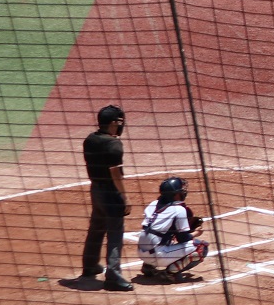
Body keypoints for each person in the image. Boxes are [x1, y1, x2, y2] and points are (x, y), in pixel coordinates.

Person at [60, 105, 133, 291]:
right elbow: (115, 173)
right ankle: (113, 276)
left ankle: (90, 265)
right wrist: (124, 197)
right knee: (115, 233)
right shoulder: (114, 144)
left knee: (96, 229)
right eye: (119, 122)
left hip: (96, 191)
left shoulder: (90, 140)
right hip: (111, 193)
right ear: (113, 123)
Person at [133, 177, 208, 285]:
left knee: (162, 236)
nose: (183, 192)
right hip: (158, 256)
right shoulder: (179, 210)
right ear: (175, 194)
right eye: (181, 190)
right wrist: (195, 233)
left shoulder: (153, 204)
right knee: (201, 247)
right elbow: (182, 239)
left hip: (142, 252)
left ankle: (148, 267)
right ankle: (170, 273)